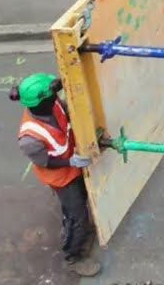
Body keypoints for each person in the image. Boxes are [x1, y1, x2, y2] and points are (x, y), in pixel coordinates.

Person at [10, 72, 102, 277]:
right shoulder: (29, 138)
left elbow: (67, 115)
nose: (56, 95)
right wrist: (70, 161)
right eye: (52, 94)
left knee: (80, 205)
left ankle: (78, 230)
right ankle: (73, 256)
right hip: (61, 178)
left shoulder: (53, 105)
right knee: (76, 215)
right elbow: (46, 162)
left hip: (74, 168)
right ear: (41, 101)